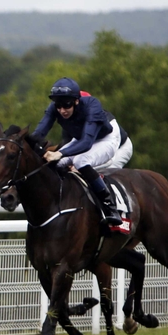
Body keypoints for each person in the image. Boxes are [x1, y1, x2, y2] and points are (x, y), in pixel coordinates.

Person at [30, 77, 122, 226]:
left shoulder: (92, 104)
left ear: (76, 101)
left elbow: (86, 143)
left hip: (106, 138)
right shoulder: (55, 109)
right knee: (56, 164)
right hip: (81, 137)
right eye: (58, 106)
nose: (62, 110)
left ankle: (109, 205)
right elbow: (38, 134)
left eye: (66, 105)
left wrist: (59, 153)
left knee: (80, 161)